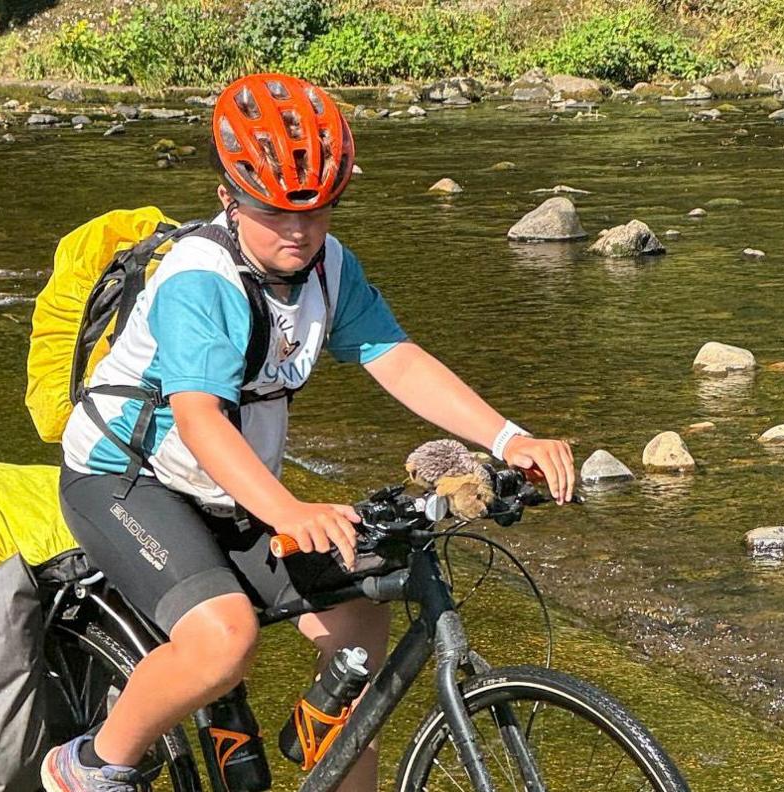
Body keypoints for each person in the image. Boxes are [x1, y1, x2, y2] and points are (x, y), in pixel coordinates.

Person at [44, 72, 576, 792]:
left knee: (366, 595)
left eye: (319, 211)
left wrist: (510, 439)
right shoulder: (201, 280)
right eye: (277, 212)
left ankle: (326, 746)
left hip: (231, 489)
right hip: (126, 481)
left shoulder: (329, 267)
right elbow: (200, 419)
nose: (299, 231)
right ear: (230, 198)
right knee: (223, 640)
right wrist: (290, 512)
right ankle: (91, 767)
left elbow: (397, 357)